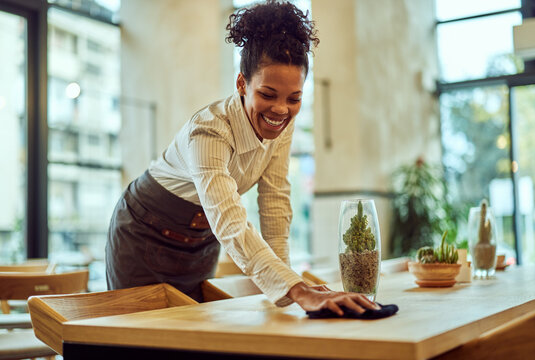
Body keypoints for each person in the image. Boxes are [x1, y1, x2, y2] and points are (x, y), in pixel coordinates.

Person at [106, 0, 378, 316]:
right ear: (242, 84)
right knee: (137, 342)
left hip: (200, 244)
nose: (280, 110)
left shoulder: (281, 126)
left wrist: (290, 290)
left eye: (294, 98)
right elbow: (230, 221)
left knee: (193, 341)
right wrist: (297, 288)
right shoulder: (208, 130)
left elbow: (274, 202)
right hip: (142, 235)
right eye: (267, 94)